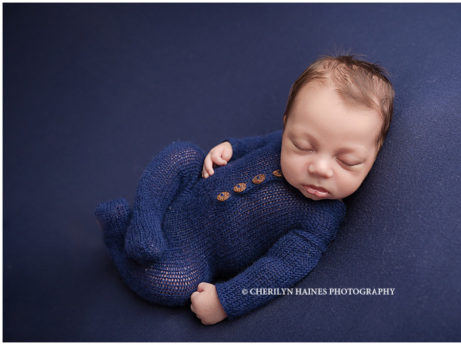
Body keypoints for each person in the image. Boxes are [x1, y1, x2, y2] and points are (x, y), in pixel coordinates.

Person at [94, 55, 394, 325]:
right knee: (182, 155)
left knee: (174, 284)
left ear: (374, 156)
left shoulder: (320, 220)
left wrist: (226, 301)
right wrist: (228, 149)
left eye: (347, 161)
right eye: (302, 146)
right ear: (287, 125)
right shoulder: (280, 140)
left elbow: (278, 269)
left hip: (197, 253)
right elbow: (251, 145)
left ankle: (119, 232)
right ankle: (145, 222)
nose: (320, 168)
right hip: (192, 189)